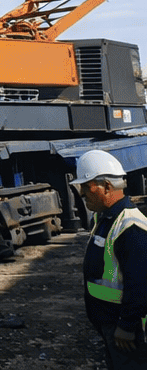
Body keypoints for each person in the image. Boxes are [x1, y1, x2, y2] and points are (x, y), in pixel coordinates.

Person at [78, 148, 147, 367]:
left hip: (125, 328)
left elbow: (140, 283)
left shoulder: (131, 226)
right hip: (109, 322)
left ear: (107, 187)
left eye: (86, 188)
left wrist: (126, 326)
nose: (82, 194)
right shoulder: (105, 218)